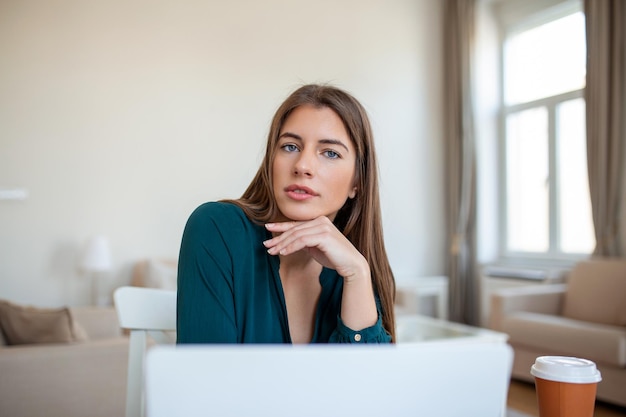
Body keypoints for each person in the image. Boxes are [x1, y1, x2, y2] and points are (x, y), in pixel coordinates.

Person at [176, 84, 396, 344]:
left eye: (330, 153)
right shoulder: (216, 229)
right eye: (290, 146)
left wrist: (358, 274)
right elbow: (204, 377)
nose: (303, 166)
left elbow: (370, 383)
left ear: (357, 182)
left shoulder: (355, 266)